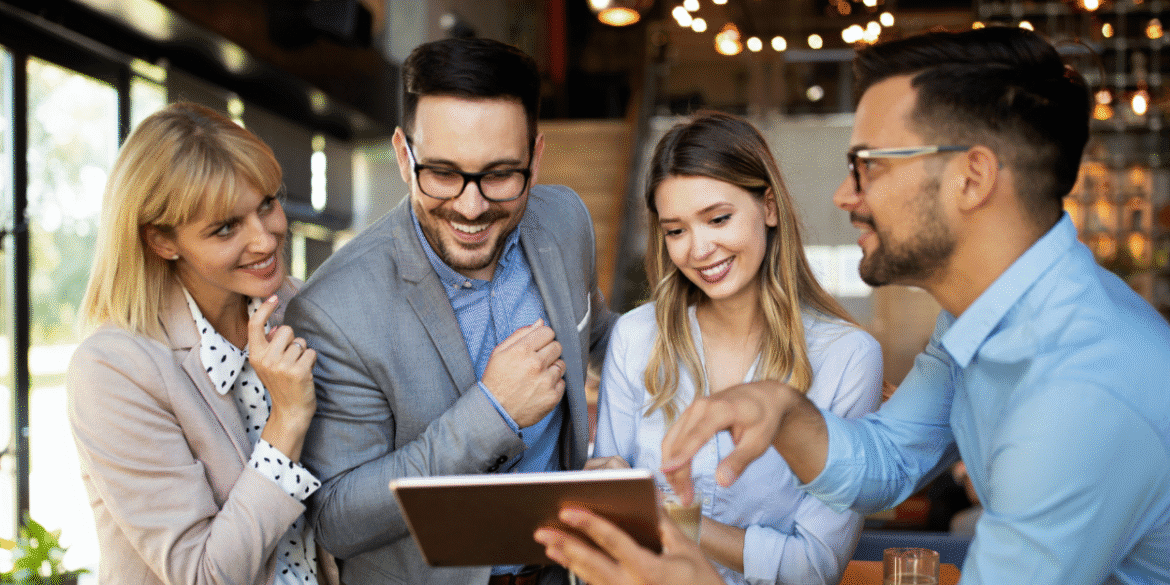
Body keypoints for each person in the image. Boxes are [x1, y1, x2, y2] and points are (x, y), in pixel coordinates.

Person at [540, 26, 1170, 585]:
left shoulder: (1085, 389)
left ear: (972, 178)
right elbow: (884, 464)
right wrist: (783, 409)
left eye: (866, 165)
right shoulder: (977, 327)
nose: (843, 195)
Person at [285, 37, 616, 584]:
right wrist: (492, 413)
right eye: (441, 173)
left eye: (500, 175)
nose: (471, 206)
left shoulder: (567, 220)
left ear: (535, 157)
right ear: (401, 153)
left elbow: (600, 334)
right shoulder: (334, 310)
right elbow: (337, 519)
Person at [586, 111, 882, 584]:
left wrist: (665, 521)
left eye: (718, 219)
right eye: (676, 230)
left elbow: (815, 567)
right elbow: (607, 520)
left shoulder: (846, 356)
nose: (699, 249)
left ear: (768, 208)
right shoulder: (637, 337)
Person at [67, 102, 334, 585]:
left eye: (267, 204)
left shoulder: (300, 306)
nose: (266, 239)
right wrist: (287, 420)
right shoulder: (113, 369)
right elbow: (202, 575)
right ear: (162, 241)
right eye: (226, 227)